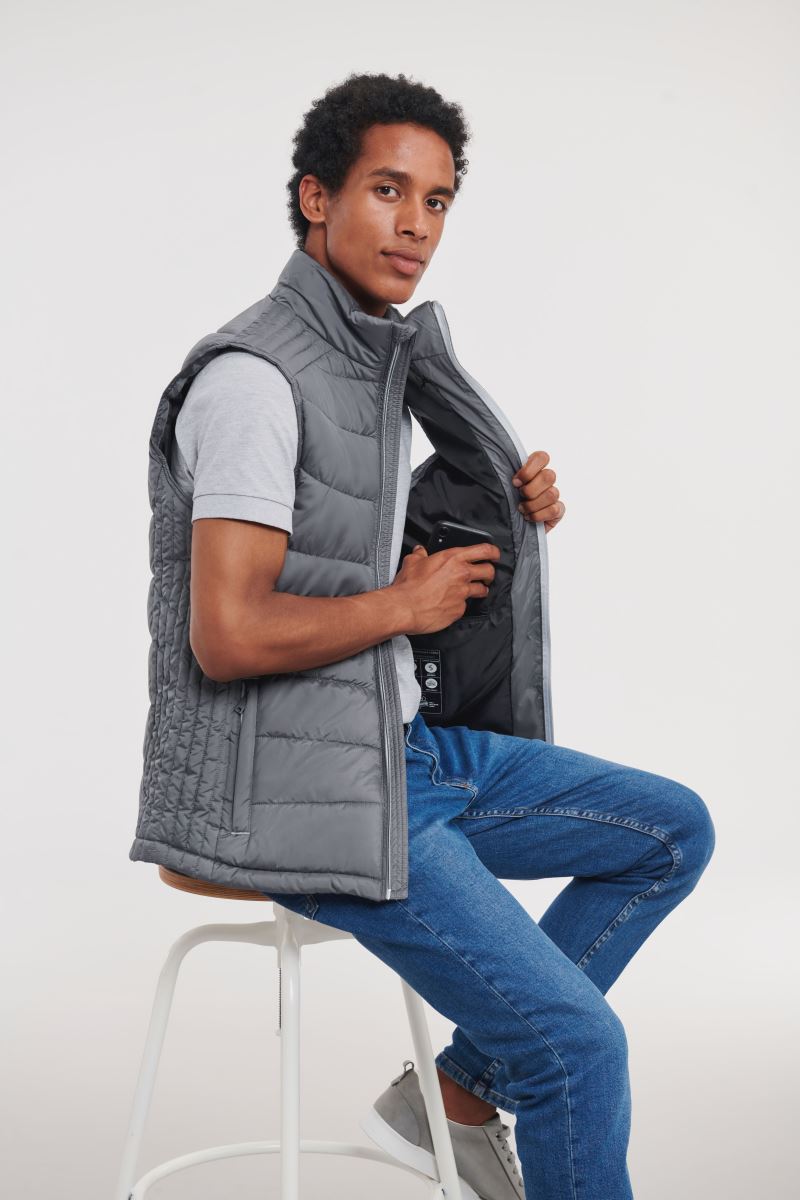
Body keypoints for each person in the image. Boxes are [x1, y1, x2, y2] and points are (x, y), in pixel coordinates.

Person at [168, 72, 716, 1200]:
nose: (415, 224)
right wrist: (402, 608)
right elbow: (227, 632)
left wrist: (501, 508)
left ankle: (454, 1094)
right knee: (575, 1049)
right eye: (387, 190)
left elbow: (341, 539)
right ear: (315, 198)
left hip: (399, 750)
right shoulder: (255, 382)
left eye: (436, 201)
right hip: (300, 790)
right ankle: (492, 1081)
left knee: (669, 832)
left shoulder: (362, 365)